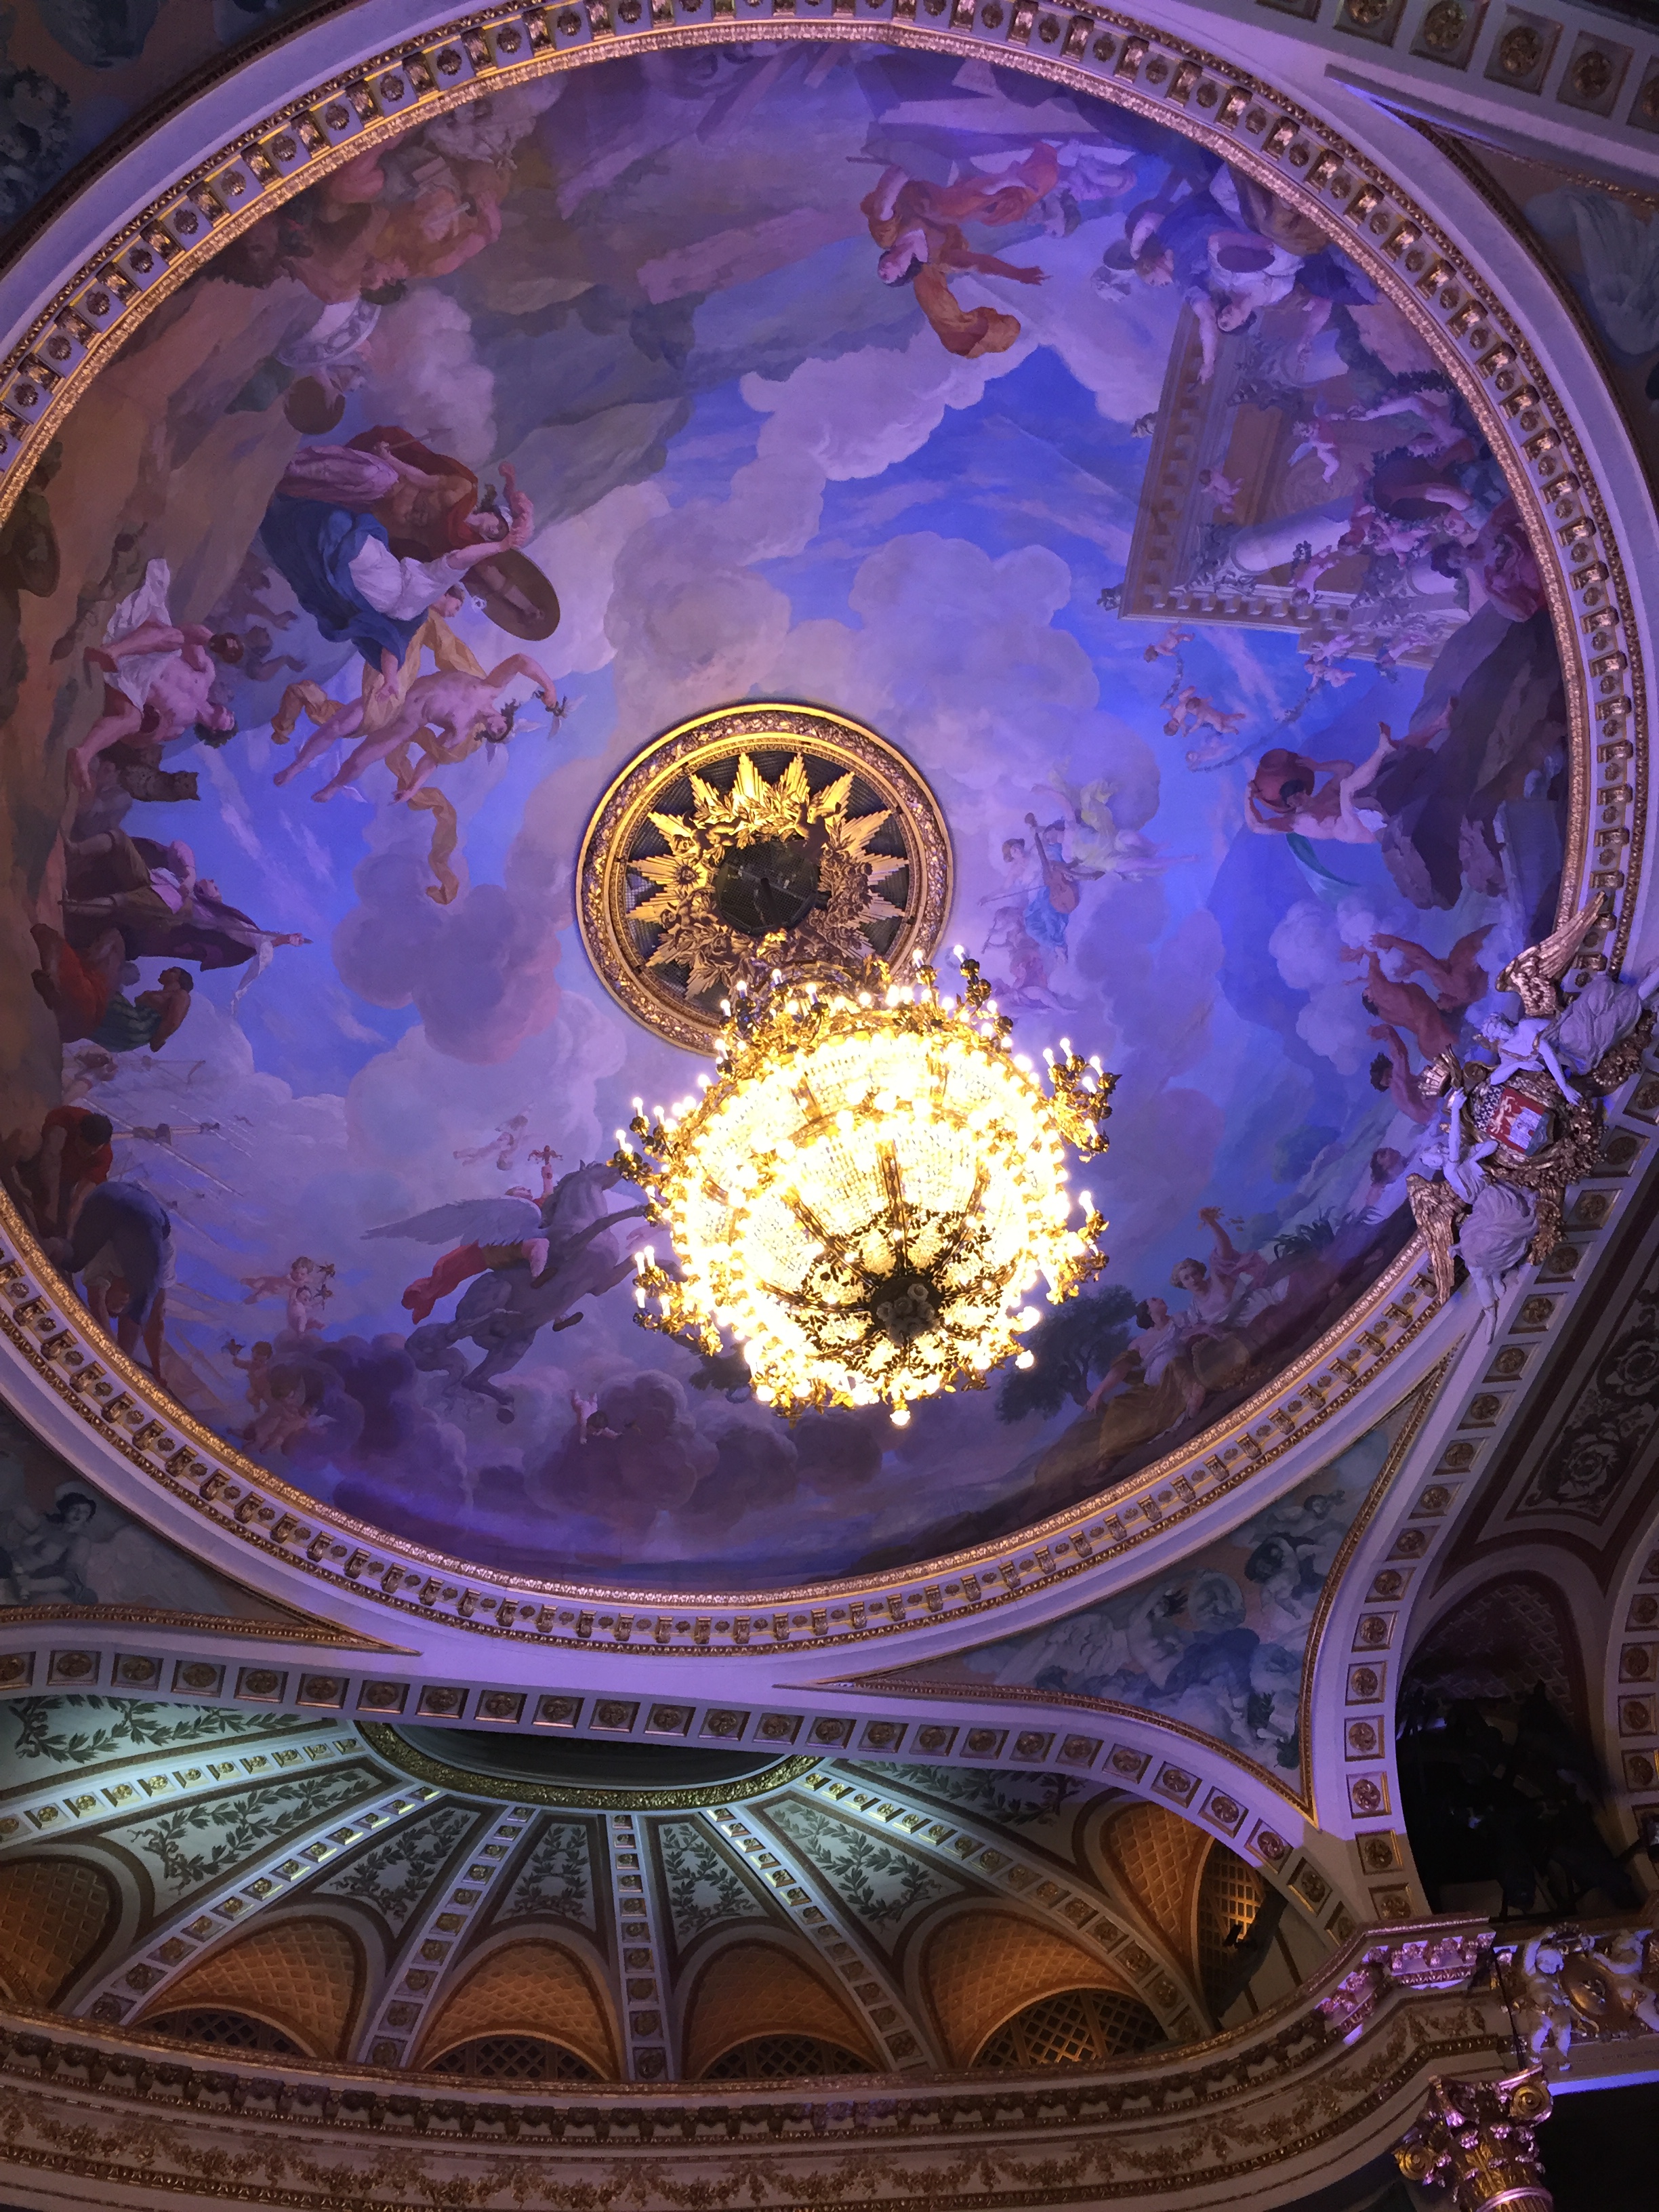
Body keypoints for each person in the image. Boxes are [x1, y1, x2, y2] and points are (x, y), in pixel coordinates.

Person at [260, 460, 533, 672]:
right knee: (346, 503)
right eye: (457, 606)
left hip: (353, 580)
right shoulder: (436, 578)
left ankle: (274, 508)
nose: (453, 614)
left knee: (305, 553)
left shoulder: (414, 617)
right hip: (375, 547)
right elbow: (463, 557)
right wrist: (501, 545)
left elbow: (393, 648)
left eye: (497, 533)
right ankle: (292, 474)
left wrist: (390, 678)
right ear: (449, 593)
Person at [273, 651, 559, 802]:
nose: (495, 729)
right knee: (339, 725)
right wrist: (549, 687)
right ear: (505, 719)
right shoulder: (491, 687)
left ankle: (334, 787)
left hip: (405, 725)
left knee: (360, 760)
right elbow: (520, 661)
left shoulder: (462, 729)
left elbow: (433, 758)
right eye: (501, 728)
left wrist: (413, 788)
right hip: (395, 698)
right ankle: (297, 766)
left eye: (495, 735)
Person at [862, 148, 1057, 359]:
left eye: (880, 270)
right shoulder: (938, 258)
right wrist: (1016, 273)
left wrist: (907, 168)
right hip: (955, 199)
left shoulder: (887, 237)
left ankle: (1003, 178)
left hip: (920, 184)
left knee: (943, 210)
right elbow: (978, 263)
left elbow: (883, 205)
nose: (882, 271)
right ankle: (1020, 171)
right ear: (903, 274)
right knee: (1004, 208)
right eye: (887, 277)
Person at [68, 558, 241, 793]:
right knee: (176, 638)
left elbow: (133, 739)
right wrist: (215, 641)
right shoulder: (207, 676)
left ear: (214, 731)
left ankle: (83, 753)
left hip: (131, 683)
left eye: (230, 723)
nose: (231, 715)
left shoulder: (178, 729)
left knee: (131, 720)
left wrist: (152, 728)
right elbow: (186, 633)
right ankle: (113, 652)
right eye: (233, 716)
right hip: (145, 647)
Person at [56, 1180, 173, 1376]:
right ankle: (119, 1370)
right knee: (141, 1305)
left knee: (73, 1261)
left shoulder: (100, 1268)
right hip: (140, 1213)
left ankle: (41, 1248)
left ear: (108, 1287)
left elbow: (97, 1304)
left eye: (116, 1305)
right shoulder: (158, 1261)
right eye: (121, 1307)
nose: (124, 1302)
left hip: (108, 1198)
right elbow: (157, 1315)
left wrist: (112, 1350)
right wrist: (156, 1369)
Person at [30, 926, 193, 1054]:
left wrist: (157, 1041)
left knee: (102, 991)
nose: (165, 971)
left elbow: (173, 1021)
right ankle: (62, 998)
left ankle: (60, 984)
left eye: (171, 970)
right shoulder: (161, 995)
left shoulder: (181, 995)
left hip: (135, 1028)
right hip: (127, 1031)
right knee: (91, 1011)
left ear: (178, 977)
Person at [20, 1107, 113, 1239]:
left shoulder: (104, 1156)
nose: (88, 1154)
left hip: (64, 1185)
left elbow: (80, 1198)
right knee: (28, 1136)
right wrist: (52, 1201)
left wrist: (69, 1226)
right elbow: (50, 1159)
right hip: (38, 1162)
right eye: (84, 1148)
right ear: (79, 1133)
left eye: (94, 1151)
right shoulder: (66, 1118)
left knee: (61, 1228)